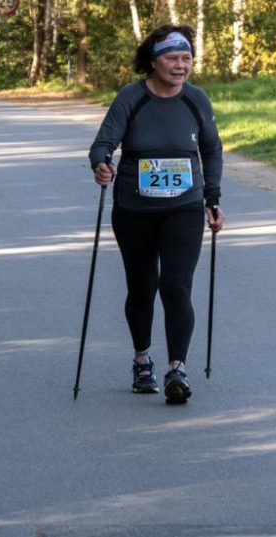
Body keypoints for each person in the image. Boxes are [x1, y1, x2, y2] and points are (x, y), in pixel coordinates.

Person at [88, 24, 224, 405]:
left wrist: (212, 196)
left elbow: (212, 151)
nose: (181, 66)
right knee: (143, 286)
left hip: (184, 206)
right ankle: (142, 359)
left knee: (176, 285)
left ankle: (177, 369)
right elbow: (103, 143)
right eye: (172, 58)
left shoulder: (196, 100)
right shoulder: (132, 97)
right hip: (135, 208)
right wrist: (102, 164)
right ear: (153, 61)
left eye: (186, 58)